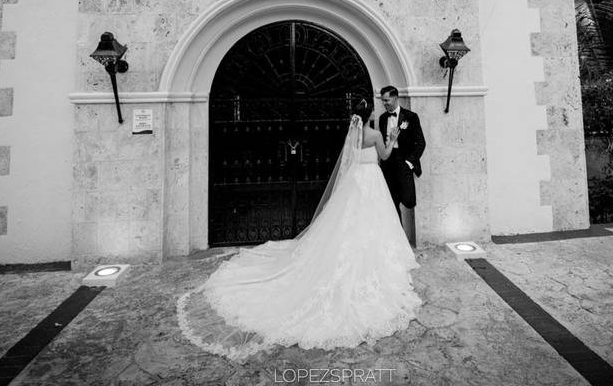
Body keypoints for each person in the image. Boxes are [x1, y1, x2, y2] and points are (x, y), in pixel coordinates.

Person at [176, 99, 421, 361]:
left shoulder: (354, 133)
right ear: (368, 114)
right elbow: (384, 156)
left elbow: (349, 161)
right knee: (371, 222)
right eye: (372, 108)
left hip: (355, 182)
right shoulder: (373, 134)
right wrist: (393, 137)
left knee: (347, 221)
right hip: (371, 181)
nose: (375, 110)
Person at [377, 86, 426, 246]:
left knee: (408, 199)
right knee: (392, 201)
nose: (384, 103)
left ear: (396, 98)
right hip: (388, 162)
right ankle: (398, 240)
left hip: (404, 162)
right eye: (383, 100)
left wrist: (409, 163)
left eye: (386, 100)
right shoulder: (383, 118)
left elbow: (421, 143)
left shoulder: (411, 117)